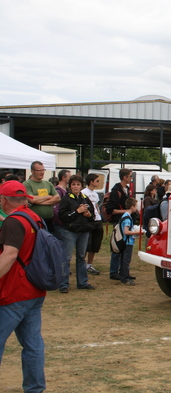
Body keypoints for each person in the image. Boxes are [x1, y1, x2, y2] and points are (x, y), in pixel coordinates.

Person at [0, 180, 47, 392]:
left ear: (3, 200)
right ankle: (35, 388)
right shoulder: (34, 217)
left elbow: (10, 255)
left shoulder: (13, 222)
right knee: (33, 344)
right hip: (34, 288)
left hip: (14, 291)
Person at [58, 175, 95, 292]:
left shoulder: (85, 198)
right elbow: (62, 216)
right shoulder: (66, 198)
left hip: (83, 231)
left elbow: (93, 215)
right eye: (73, 184)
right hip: (69, 231)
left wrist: (88, 215)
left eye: (78, 184)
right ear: (70, 186)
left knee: (81, 257)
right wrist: (76, 211)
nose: (76, 186)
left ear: (81, 186)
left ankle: (82, 282)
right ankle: (63, 284)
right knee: (67, 258)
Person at [106, 168, 132, 280]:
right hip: (118, 222)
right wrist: (127, 211)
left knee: (125, 247)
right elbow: (110, 210)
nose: (131, 178)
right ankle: (113, 272)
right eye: (130, 176)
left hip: (125, 220)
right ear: (125, 177)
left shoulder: (126, 189)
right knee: (118, 246)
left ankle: (123, 271)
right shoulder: (116, 191)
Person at [23, 161, 60, 233]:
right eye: (39, 170)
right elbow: (32, 199)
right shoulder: (27, 184)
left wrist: (39, 202)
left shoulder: (48, 183)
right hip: (35, 221)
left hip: (49, 220)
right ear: (32, 171)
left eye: (43, 170)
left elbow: (58, 198)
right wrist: (48, 196)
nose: (42, 172)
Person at [82, 173, 103, 275]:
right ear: (91, 181)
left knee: (95, 244)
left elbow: (96, 206)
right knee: (87, 243)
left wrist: (98, 214)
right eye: (97, 181)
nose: (98, 183)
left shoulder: (95, 194)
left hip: (97, 220)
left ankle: (89, 265)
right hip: (89, 220)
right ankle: (82, 264)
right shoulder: (84, 192)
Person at [115, 197, 139, 286]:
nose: (136, 208)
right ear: (132, 207)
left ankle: (125, 274)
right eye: (136, 206)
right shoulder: (127, 218)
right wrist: (138, 232)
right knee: (126, 260)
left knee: (125, 259)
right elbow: (126, 231)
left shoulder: (125, 216)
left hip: (126, 241)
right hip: (127, 242)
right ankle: (124, 278)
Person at [52, 169, 71, 237]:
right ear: (63, 178)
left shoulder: (66, 190)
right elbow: (55, 208)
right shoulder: (58, 191)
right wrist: (61, 221)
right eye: (69, 177)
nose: (70, 179)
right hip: (60, 224)